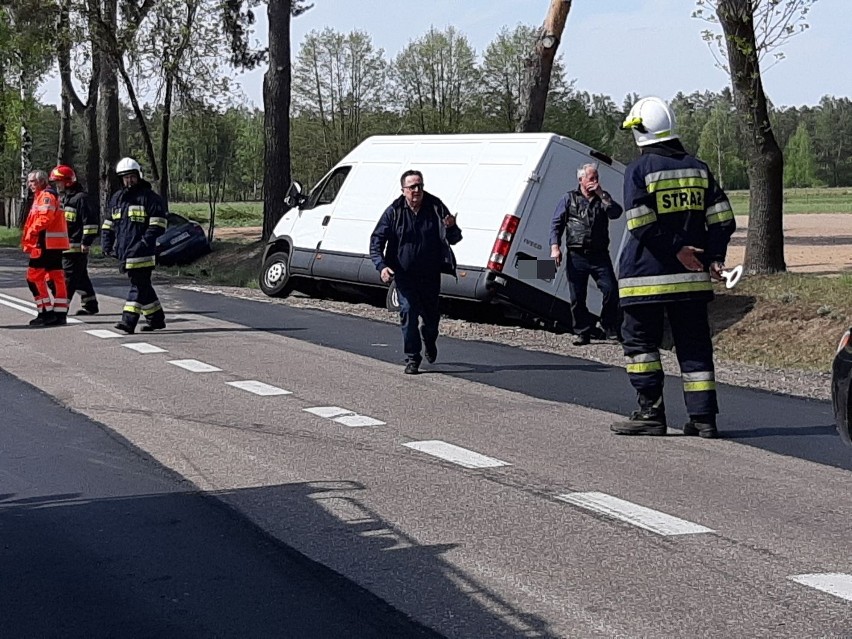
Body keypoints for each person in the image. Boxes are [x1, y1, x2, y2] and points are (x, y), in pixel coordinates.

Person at [610, 96, 736, 439]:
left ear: (641, 132)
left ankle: (650, 412)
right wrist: (712, 257)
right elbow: (723, 220)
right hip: (692, 283)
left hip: (646, 279)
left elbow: (639, 222)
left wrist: (676, 248)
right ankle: (704, 418)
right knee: (694, 347)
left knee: (640, 345)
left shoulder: (639, 170)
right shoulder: (699, 168)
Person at [370, 170, 462, 375]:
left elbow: (454, 238)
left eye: (420, 185)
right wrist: (381, 266)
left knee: (431, 320)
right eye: (412, 187)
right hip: (404, 275)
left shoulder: (436, 207)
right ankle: (413, 358)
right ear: (403, 190)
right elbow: (376, 241)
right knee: (408, 312)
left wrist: (451, 228)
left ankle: (429, 339)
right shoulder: (394, 211)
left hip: (430, 274)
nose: (417, 190)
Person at [550, 163, 623, 346]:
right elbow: (556, 224)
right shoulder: (569, 198)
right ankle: (582, 332)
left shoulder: (602, 199)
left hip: (599, 255)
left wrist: (602, 194)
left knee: (611, 290)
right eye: (591, 178)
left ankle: (608, 325)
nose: (595, 182)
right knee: (577, 297)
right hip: (577, 255)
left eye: (597, 178)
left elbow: (616, 213)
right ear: (581, 180)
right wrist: (555, 247)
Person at [101, 157, 168, 335]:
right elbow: (109, 224)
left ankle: (128, 321)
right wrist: (106, 244)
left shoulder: (150, 198)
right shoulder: (117, 199)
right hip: (124, 251)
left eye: (131, 176)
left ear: (138, 175)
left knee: (138, 286)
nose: (128, 180)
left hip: (143, 251)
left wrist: (144, 242)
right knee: (143, 286)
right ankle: (156, 319)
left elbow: (158, 225)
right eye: (125, 177)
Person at [21, 170, 70, 327]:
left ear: (41, 182)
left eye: (32, 182)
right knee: (56, 277)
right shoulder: (46, 195)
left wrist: (31, 232)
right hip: (53, 244)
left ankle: (45, 312)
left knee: (33, 277)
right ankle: (60, 314)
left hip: (45, 243)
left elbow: (44, 218)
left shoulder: (46, 196)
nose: (29, 185)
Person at [50, 164, 100, 315]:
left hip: (76, 248)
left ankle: (60, 309)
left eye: (59, 182)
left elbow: (90, 222)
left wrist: (86, 241)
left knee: (68, 279)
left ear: (68, 181)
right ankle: (90, 304)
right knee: (80, 277)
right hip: (63, 247)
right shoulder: (63, 199)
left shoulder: (81, 199)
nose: (57, 185)